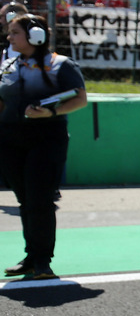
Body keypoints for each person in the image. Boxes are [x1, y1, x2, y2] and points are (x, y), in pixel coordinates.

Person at [1, 14, 87, 280]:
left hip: (46, 139)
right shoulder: (8, 64)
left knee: (40, 199)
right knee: (25, 200)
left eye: (14, 32)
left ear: (35, 36)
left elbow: (80, 99)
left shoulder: (61, 64)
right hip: (10, 139)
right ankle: (30, 257)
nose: (9, 37)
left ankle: (42, 261)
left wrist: (50, 113)